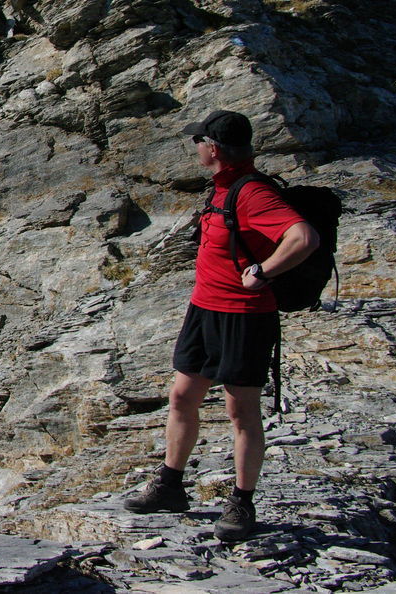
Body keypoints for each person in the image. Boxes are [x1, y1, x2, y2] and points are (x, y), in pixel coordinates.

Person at [124, 110, 320, 541]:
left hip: (244, 317)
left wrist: (265, 271)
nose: (194, 147)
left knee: (241, 410)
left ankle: (241, 502)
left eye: (197, 141)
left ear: (212, 148)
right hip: (205, 310)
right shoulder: (223, 187)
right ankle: (171, 486)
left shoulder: (251, 192)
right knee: (181, 396)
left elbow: (303, 237)